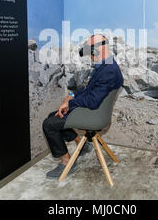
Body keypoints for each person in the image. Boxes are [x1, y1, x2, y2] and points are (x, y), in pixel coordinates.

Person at [42, 34, 124, 179]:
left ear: (97, 50)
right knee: (53, 116)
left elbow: (92, 101)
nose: (90, 56)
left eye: (90, 52)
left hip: (95, 115)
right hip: (96, 111)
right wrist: (72, 96)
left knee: (49, 124)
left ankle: (67, 162)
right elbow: (89, 91)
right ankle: (82, 144)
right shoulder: (107, 66)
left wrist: (70, 103)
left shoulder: (108, 70)